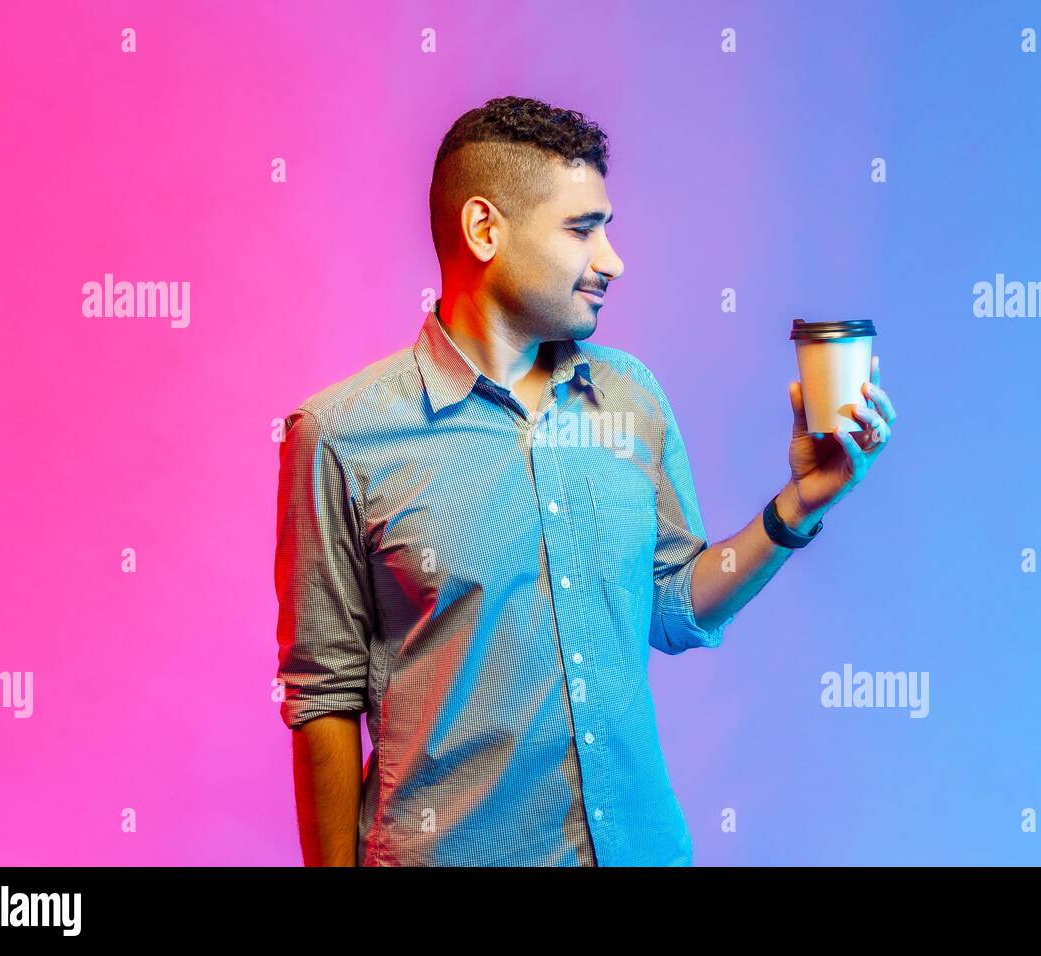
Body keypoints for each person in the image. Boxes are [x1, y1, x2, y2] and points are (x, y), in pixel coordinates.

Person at [273, 95, 897, 866]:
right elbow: (322, 696)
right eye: (583, 228)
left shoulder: (631, 397)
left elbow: (672, 604)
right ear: (484, 230)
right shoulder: (340, 434)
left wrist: (795, 508)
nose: (612, 259)